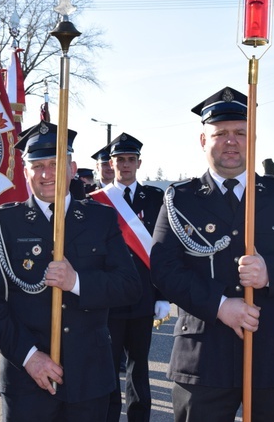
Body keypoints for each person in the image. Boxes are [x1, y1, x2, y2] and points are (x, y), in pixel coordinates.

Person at [150, 87, 274, 422]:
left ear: (254, 137)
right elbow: (165, 269)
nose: (231, 141)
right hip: (204, 358)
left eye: (240, 133)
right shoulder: (180, 199)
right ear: (204, 140)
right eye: (220, 134)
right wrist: (221, 307)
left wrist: (270, 271)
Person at [0, 121, 142, 422]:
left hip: (89, 378)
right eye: (36, 165)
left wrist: (77, 282)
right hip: (26, 379)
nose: (46, 174)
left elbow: (129, 286)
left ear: (73, 168)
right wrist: (29, 356)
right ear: (25, 172)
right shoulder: (2, 223)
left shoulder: (100, 219)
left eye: (55, 164)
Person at [90, 132, 168, 422]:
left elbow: (162, 250)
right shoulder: (96, 202)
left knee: (139, 366)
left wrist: (163, 295)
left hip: (143, 295)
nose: (125, 165)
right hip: (109, 298)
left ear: (139, 163)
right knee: (108, 367)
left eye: (130, 159)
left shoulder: (156, 198)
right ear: (110, 163)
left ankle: (139, 418)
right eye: (119, 159)